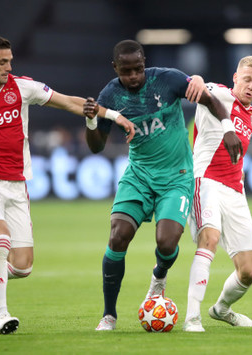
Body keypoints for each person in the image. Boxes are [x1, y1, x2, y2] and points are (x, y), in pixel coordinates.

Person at [0, 34, 134, 335]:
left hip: (17, 187)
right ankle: (1, 316)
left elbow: (71, 102)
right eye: (1, 62)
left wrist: (113, 115)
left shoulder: (22, 87)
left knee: (22, 266)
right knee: (0, 238)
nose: (8, 67)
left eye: (10, 61)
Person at [83, 39, 242, 331]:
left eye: (138, 69)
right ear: (115, 67)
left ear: (145, 63)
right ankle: (109, 315)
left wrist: (228, 128)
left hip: (175, 176)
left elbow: (211, 100)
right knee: (118, 236)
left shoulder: (166, 80)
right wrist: (92, 122)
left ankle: (159, 276)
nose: (133, 76)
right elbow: (96, 147)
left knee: (167, 242)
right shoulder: (110, 95)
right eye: (126, 71)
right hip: (139, 175)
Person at [183, 56, 252, 332]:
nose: (251, 86)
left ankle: (221, 309)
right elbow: (196, 86)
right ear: (235, 77)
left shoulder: (251, 114)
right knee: (209, 239)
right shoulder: (218, 92)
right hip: (205, 181)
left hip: (235, 191)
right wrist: (194, 78)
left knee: (249, 270)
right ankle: (191, 317)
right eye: (247, 79)